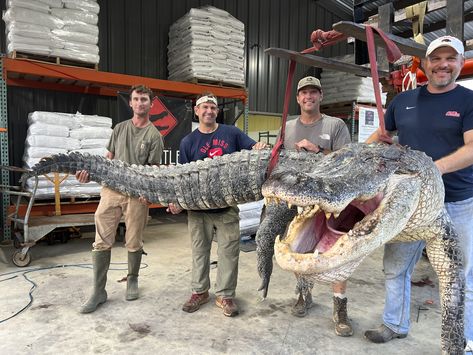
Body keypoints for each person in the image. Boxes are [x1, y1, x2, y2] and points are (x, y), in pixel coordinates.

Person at [363, 35, 473, 352]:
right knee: (396, 266)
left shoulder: (468, 102)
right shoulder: (404, 100)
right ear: (425, 64)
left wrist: (432, 169)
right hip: (408, 201)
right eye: (436, 58)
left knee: (460, 275)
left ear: (460, 63)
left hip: (456, 201)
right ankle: (395, 324)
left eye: (450, 58)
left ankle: (463, 340)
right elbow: (382, 135)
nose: (443, 65)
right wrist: (353, 159)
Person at [167, 92, 266, 317]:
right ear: (197, 111)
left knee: (229, 251)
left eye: (213, 107)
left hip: (226, 207)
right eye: (205, 107)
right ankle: (200, 291)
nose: (209, 111)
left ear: (217, 111)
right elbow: (181, 177)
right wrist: (177, 201)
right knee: (199, 251)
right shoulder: (188, 142)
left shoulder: (231, 133)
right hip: (197, 210)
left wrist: (259, 146)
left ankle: (225, 295)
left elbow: (253, 148)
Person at [76, 84, 164, 313]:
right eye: (136, 99)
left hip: (136, 195)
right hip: (111, 190)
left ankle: (132, 279)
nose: (140, 103)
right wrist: (90, 176)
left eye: (144, 99)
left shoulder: (154, 135)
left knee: (134, 240)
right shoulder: (120, 128)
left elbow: (154, 170)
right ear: (131, 103)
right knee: (100, 240)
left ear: (151, 104)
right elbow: (108, 159)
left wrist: (148, 194)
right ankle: (98, 291)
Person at [283, 76, 353, 336]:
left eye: (313, 92)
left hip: (331, 201)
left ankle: (340, 308)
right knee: (300, 248)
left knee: (337, 252)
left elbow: (347, 161)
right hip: (301, 200)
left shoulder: (335, 125)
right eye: (304, 93)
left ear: (320, 96)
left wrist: (318, 151)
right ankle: (304, 295)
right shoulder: (288, 127)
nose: (308, 97)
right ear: (298, 98)